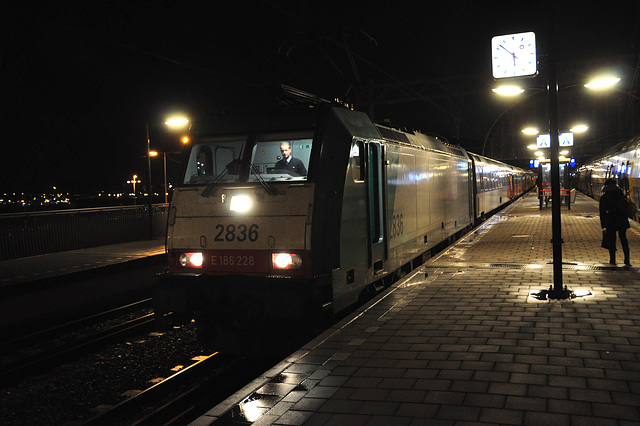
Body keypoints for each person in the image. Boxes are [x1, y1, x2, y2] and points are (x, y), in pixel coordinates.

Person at [599, 178, 630, 265]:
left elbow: (602, 213)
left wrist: (603, 225)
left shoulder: (604, 197)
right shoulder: (621, 194)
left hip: (610, 220)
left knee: (612, 240)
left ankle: (612, 260)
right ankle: (627, 259)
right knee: (623, 239)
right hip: (622, 219)